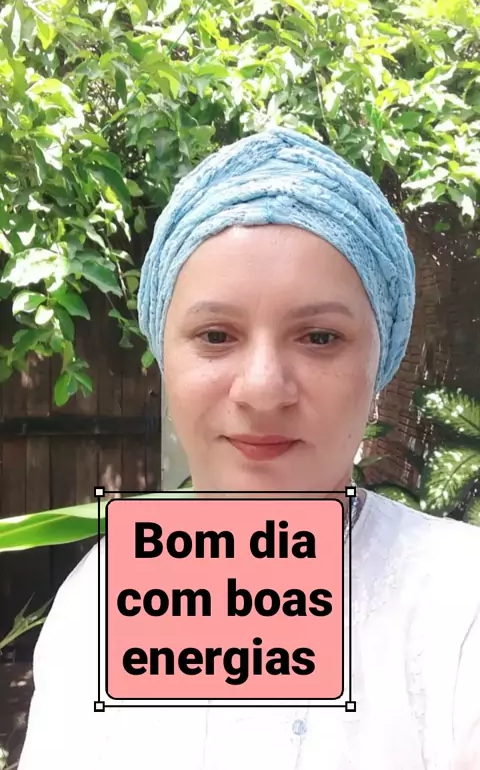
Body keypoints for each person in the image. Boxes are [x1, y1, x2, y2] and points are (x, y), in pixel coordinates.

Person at [18, 127, 480, 769]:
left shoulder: (460, 607)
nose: (263, 389)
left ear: (380, 363)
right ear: (164, 358)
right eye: (215, 335)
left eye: (319, 337)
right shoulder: (97, 603)